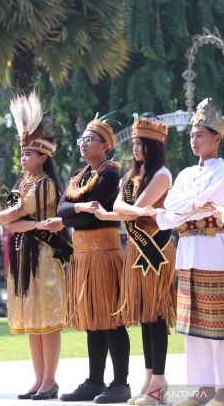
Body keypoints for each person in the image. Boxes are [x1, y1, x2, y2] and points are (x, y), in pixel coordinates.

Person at [90, 116, 176, 405]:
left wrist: (123, 211)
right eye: (135, 143)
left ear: (153, 146)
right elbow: (123, 209)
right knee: (145, 316)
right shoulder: (133, 176)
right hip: (137, 251)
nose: (135, 148)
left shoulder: (162, 174)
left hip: (156, 252)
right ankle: (150, 377)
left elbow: (135, 209)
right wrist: (111, 213)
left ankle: (160, 382)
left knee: (157, 313)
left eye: (141, 143)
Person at [155, 98, 224, 406]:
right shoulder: (185, 174)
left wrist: (187, 206)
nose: (195, 140)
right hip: (187, 253)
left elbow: (190, 205)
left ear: (217, 138)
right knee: (192, 327)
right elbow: (166, 212)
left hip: (215, 252)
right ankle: (201, 390)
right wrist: (192, 206)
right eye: (192, 135)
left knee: (220, 325)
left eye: (201, 135)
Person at [57, 116, 131, 404]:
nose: (83, 144)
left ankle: (120, 383)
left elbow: (88, 217)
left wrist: (76, 213)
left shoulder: (110, 174)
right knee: (92, 319)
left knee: (110, 318)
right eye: (82, 139)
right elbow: (63, 209)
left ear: (105, 145)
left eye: (90, 139)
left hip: (103, 253)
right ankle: (94, 380)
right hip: (84, 255)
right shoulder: (79, 175)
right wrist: (79, 207)